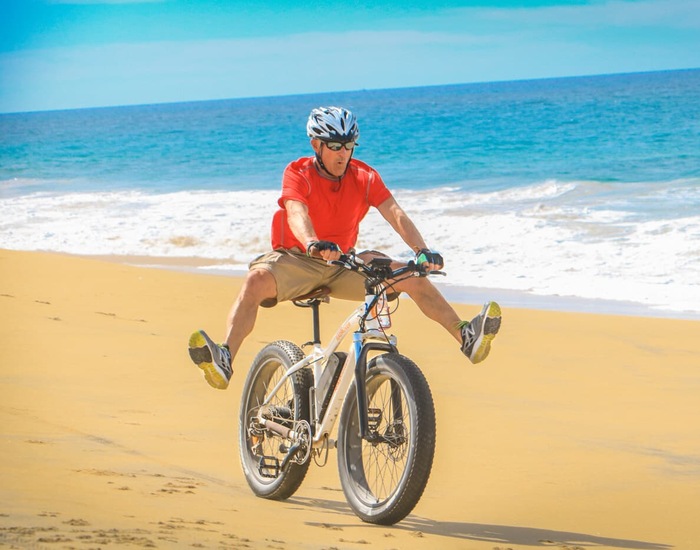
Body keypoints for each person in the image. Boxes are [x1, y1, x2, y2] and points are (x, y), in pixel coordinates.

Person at [188, 106, 501, 390]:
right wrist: (312, 243)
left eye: (348, 146)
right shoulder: (298, 172)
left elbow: (394, 212)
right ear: (317, 145)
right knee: (256, 280)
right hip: (298, 260)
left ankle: (466, 337)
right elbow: (297, 212)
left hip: (342, 263)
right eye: (335, 147)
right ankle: (225, 356)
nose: (343, 154)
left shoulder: (363, 176)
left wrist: (422, 250)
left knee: (412, 276)